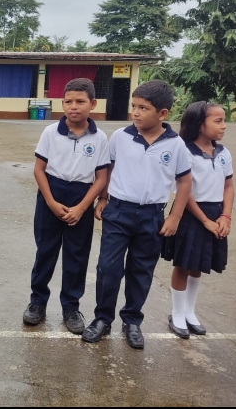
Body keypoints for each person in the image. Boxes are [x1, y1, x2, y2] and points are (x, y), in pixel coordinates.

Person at [82, 80, 193, 350]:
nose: (136, 112)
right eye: (134, 106)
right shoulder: (121, 137)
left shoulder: (176, 145)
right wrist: (103, 198)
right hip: (118, 212)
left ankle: (132, 321)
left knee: (141, 270)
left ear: (162, 113)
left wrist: (175, 217)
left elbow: (185, 182)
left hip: (152, 216)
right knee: (108, 267)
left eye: (143, 108)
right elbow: (108, 170)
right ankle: (102, 318)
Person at [23, 79, 111, 334]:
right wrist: (50, 202)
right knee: (46, 251)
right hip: (51, 192)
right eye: (69, 101)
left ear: (92, 104)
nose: (74, 107)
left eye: (80, 102)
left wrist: (83, 207)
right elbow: (39, 170)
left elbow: (101, 177)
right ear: (62, 103)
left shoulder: (99, 138)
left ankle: (71, 307)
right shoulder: (51, 132)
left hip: (81, 196)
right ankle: (37, 302)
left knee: (77, 256)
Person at [160, 101, 233, 337]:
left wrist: (225, 216)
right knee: (184, 264)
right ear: (200, 124)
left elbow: (228, 186)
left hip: (215, 214)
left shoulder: (223, 153)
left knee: (198, 264)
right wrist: (205, 221)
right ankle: (177, 313)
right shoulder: (185, 152)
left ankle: (190, 312)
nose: (224, 126)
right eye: (218, 121)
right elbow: (185, 193)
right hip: (191, 214)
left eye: (224, 120)